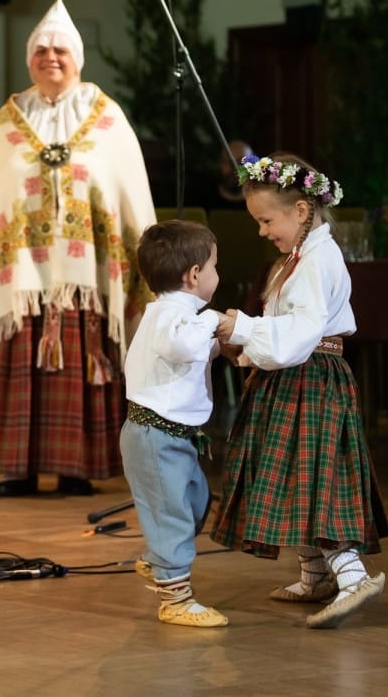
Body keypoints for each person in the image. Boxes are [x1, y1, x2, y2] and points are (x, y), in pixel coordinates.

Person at [0, 0, 157, 497]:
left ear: (77, 57)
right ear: (30, 58)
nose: (50, 57)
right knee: (16, 363)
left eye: (60, 50)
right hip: (19, 283)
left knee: (83, 367)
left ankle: (78, 468)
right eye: (41, 50)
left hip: (87, 282)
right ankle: (17, 467)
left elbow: (129, 196)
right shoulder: (10, 120)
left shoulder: (108, 119)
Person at [212, 152, 388, 629]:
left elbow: (299, 334)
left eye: (267, 220)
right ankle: (316, 575)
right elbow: (284, 330)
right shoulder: (299, 256)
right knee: (294, 478)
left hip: (310, 380)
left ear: (301, 211)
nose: (262, 231)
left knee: (314, 481)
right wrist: (245, 346)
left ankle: (352, 577)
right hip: (294, 377)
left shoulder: (316, 261)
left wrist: (242, 328)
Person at [121, 220, 228, 628]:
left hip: (174, 436)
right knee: (171, 515)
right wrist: (213, 320)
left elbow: (192, 349)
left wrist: (223, 344)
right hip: (154, 435)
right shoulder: (172, 314)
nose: (218, 275)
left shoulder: (181, 315)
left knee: (196, 505)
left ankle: (159, 559)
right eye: (215, 266)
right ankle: (175, 598)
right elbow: (182, 344)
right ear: (195, 274)